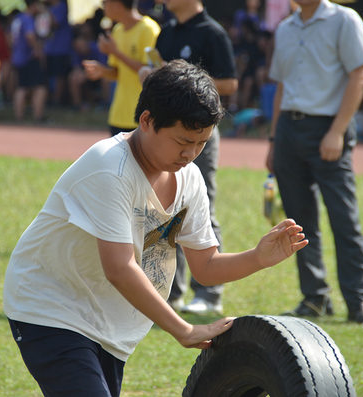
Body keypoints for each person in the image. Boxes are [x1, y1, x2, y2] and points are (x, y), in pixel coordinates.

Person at [3, 60, 308, 397]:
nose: (190, 153)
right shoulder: (110, 168)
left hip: (108, 322)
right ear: (146, 120)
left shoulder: (190, 178)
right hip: (51, 308)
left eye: (201, 143)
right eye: (182, 141)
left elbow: (205, 268)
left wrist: (258, 257)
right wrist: (184, 329)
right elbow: (119, 268)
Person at [265, 0, 363, 324]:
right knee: (298, 222)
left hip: (328, 128)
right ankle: (314, 297)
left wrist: (337, 131)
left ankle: (358, 302)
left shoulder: (345, 20)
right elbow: (282, 86)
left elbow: (359, 77)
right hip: (289, 129)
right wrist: (274, 140)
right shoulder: (285, 28)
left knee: (344, 219)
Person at [148, 0, 238, 316]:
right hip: (164, 135)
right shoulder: (166, 31)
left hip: (198, 135)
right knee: (163, 208)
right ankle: (168, 291)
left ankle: (209, 295)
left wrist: (182, 85)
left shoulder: (212, 33)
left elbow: (229, 83)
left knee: (201, 205)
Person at [83, 0, 160, 137]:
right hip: (118, 114)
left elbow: (149, 72)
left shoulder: (149, 29)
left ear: (116, 4)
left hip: (141, 115)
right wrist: (103, 71)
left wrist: (115, 52)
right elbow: (117, 72)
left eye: (105, 3)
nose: (103, 7)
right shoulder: (117, 30)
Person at [10, 0, 47, 122]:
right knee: (40, 87)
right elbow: (29, 35)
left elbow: (9, 37)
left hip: (18, 57)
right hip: (28, 58)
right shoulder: (28, 19)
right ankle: (38, 116)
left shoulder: (17, 18)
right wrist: (38, 49)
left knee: (21, 87)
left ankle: (19, 117)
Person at [43, 0, 72, 106]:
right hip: (49, 48)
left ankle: (56, 100)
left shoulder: (62, 6)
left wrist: (46, 12)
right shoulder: (48, 8)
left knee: (59, 75)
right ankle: (48, 99)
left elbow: (56, 23)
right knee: (48, 74)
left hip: (61, 48)